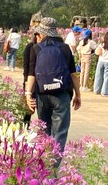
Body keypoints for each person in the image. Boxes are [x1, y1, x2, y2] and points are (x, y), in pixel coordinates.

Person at [25, 17, 82, 159]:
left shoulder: (36, 48)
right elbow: (73, 74)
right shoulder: (65, 48)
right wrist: (78, 95)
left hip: (42, 94)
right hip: (61, 94)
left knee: (44, 129)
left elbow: (31, 74)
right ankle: (54, 164)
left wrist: (28, 94)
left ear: (42, 33)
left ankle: (42, 162)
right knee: (60, 131)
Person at [22, 32, 40, 123]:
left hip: (41, 81)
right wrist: (26, 81)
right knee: (29, 107)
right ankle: (26, 124)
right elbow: (26, 66)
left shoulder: (43, 47)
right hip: (30, 80)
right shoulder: (30, 47)